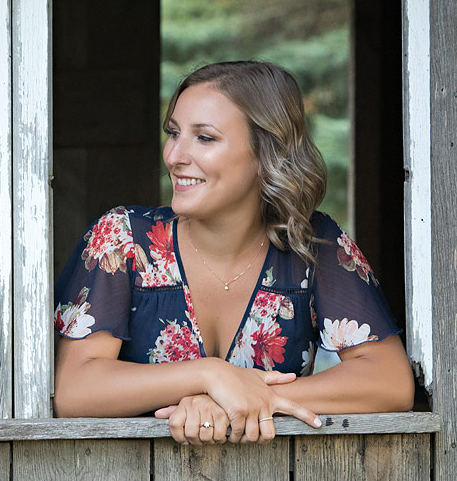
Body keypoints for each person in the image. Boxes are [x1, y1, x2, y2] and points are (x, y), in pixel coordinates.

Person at [52, 61, 414, 445]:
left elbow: (389, 381)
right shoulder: (122, 238)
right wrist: (209, 375)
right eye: (173, 133)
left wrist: (250, 397)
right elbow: (75, 389)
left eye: (204, 138)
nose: (174, 155)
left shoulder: (311, 243)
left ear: (265, 152)